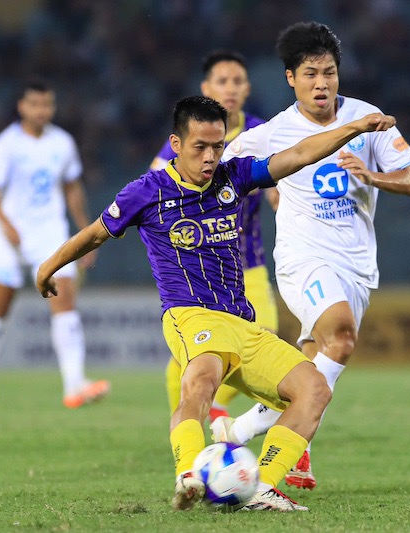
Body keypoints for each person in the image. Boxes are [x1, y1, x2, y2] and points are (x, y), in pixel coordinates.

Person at [35, 96, 396, 511]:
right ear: (176, 143)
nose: (210, 157)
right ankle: (189, 472)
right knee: (201, 380)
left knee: (314, 389)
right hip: (189, 315)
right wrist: (49, 266)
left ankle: (261, 487)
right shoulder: (147, 192)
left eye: (218, 146)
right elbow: (97, 232)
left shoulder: (234, 177)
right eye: (200, 147)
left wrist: (353, 128)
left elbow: (296, 155)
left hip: (243, 324)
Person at [213, 21, 410, 491]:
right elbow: (218, 166)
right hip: (302, 258)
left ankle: (240, 432)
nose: (321, 83)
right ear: (290, 78)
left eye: (328, 72)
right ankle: (261, 466)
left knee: (315, 360)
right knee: (342, 337)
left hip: (358, 266)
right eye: (309, 74)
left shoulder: (369, 119)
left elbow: (408, 181)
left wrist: (371, 176)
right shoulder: (274, 132)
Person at [149, 50, 279, 423]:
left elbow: (277, 183)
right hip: (194, 267)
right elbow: (154, 185)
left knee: (262, 335)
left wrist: (278, 199)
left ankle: (214, 406)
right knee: (187, 356)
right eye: (222, 81)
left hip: (245, 263)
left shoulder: (262, 133)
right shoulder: (190, 137)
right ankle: (188, 424)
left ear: (248, 88)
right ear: (207, 88)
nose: (231, 88)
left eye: (237, 81)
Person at [0, 78, 110, 410]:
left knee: (65, 305)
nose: (42, 110)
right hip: (11, 236)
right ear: (22, 106)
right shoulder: (6, 144)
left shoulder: (62, 142)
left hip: (49, 234)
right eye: (35, 104)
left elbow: (72, 189)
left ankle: (74, 385)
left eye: (47, 104)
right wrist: (5, 224)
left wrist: (85, 234)